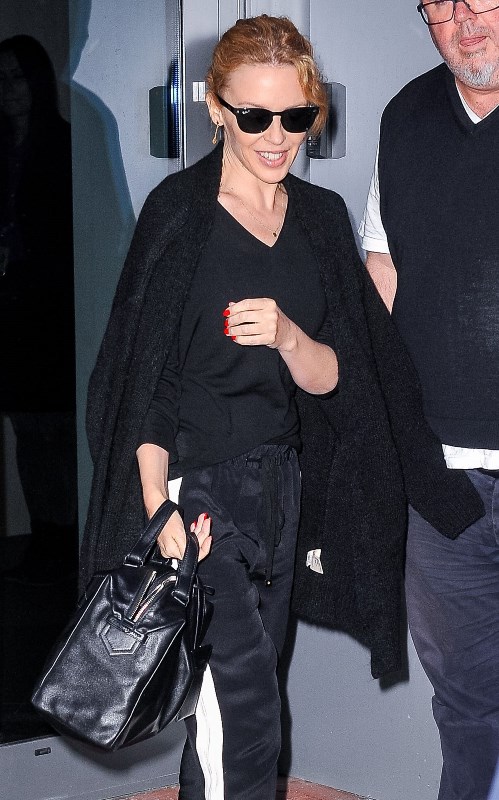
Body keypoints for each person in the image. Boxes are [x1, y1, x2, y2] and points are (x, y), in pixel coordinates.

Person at [81, 15, 484, 800]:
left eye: (295, 117)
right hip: (198, 497)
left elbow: (342, 377)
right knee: (247, 710)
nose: (276, 137)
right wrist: (157, 506)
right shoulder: (180, 216)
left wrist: (291, 336)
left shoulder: (320, 221)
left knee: (233, 696)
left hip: (279, 490)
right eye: (253, 116)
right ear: (215, 108)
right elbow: (144, 384)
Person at [359, 2, 499, 798]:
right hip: (437, 478)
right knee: (466, 702)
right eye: (438, 4)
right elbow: (382, 268)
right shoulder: (405, 116)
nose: (460, 20)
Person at [0, 35, 78, 582]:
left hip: (53, 308)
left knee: (57, 429)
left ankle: (65, 538)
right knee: (27, 431)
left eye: (17, 77)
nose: (9, 90)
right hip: (11, 309)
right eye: (1, 79)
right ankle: (45, 535)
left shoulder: (63, 144)